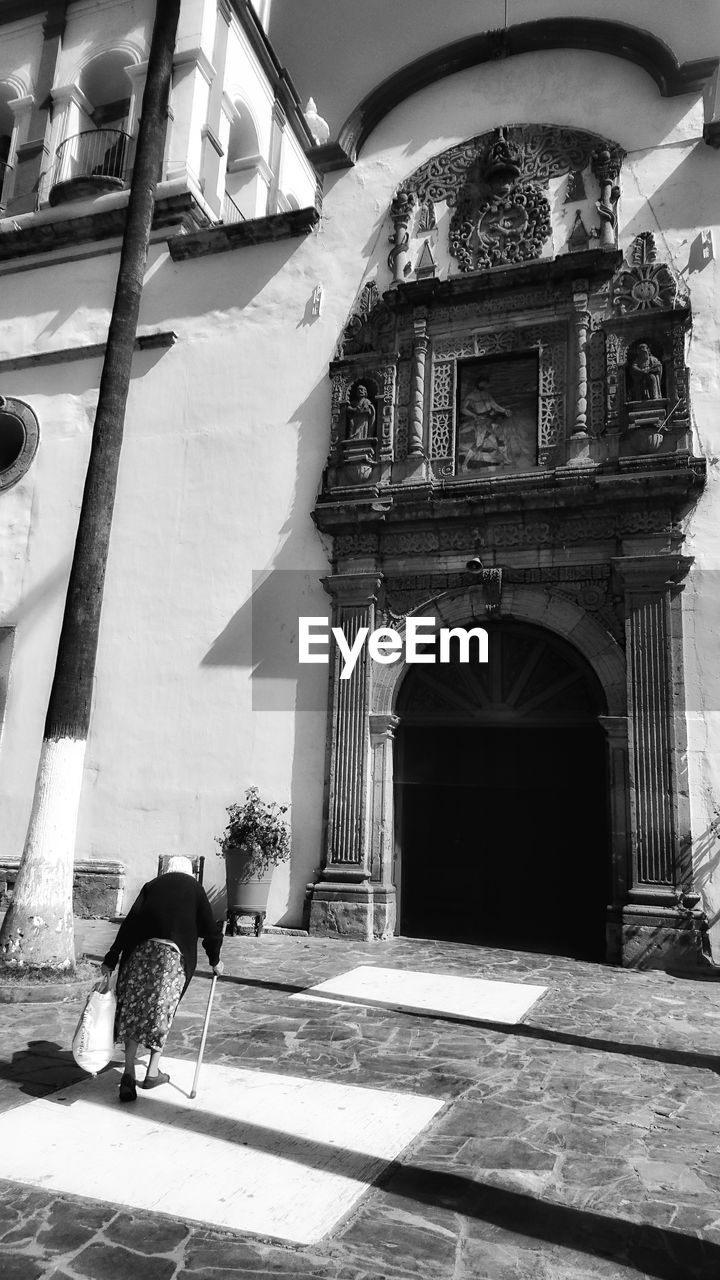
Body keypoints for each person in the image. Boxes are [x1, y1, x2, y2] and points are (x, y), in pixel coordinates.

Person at [101, 855, 224, 1103]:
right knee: (163, 1010)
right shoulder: (195, 889)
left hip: (140, 953)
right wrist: (215, 960)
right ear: (189, 873)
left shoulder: (151, 886)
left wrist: (111, 958)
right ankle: (152, 1072)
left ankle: (127, 1073)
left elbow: (130, 923)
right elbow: (210, 930)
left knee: (135, 1010)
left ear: (166, 871)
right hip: (170, 958)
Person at [460, 377, 512, 471]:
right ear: (478, 383)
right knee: (478, 443)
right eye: (483, 384)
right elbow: (463, 409)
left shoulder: (486, 394)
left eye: (485, 384)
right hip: (481, 421)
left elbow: (494, 405)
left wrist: (504, 410)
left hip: (490, 419)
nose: (485, 386)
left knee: (500, 437)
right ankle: (464, 464)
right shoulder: (471, 396)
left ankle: (505, 459)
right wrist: (474, 415)